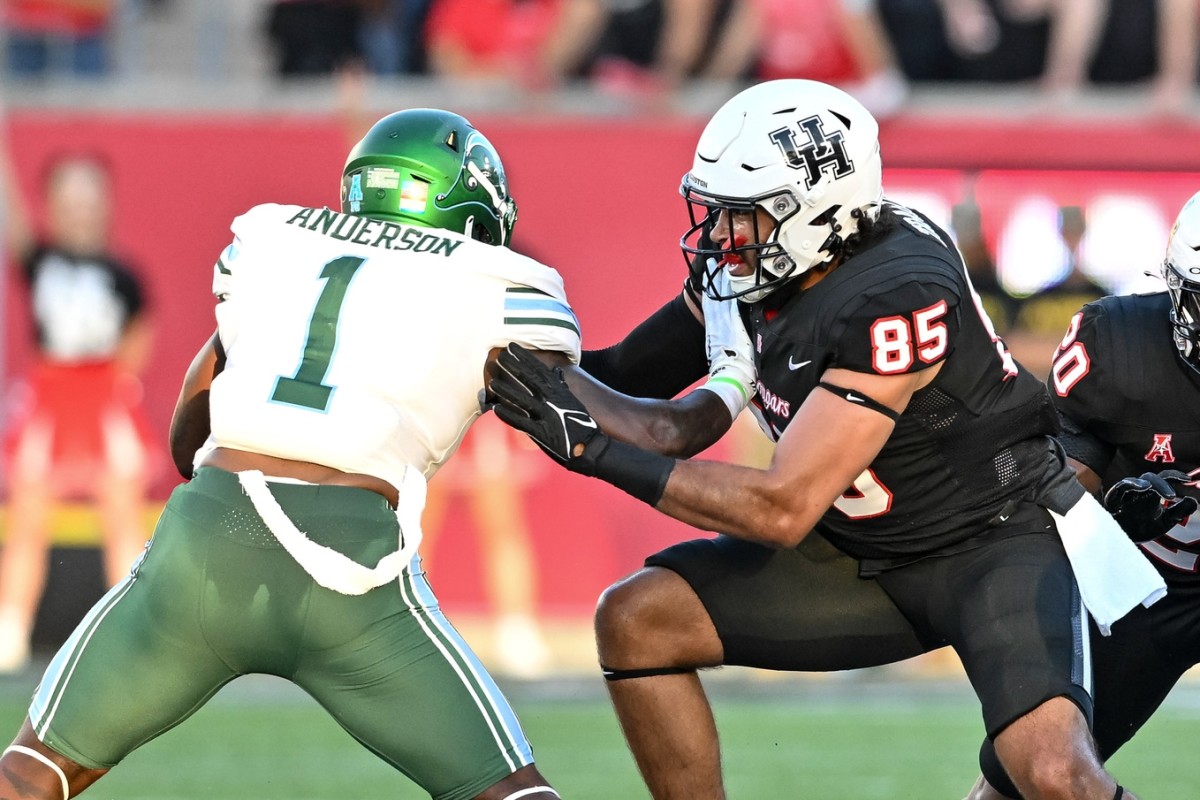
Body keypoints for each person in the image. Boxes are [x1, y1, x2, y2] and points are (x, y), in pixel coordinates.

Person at [0, 106, 749, 799]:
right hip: (349, 567)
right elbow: (663, 433)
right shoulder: (500, 286)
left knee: (32, 772)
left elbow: (187, 436)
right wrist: (734, 370)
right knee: (512, 792)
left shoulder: (275, 244)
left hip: (206, 539)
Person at [488, 79, 1162, 799]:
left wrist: (596, 454)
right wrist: (503, 348)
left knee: (1055, 776)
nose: (717, 236)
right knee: (637, 620)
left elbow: (781, 507)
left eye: (741, 218)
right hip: (858, 553)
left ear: (813, 215)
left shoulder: (896, 293)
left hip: (988, 547)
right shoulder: (761, 270)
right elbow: (627, 378)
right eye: (715, 212)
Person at [966, 192, 1200, 797]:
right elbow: (1064, 466)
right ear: (1177, 293)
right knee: (1028, 774)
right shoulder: (1120, 343)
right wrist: (1104, 505)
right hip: (1152, 585)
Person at [0, 151, 156, 674]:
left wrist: (119, 383)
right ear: (51, 206)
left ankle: (127, 627)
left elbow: (139, 335)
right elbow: (14, 221)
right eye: (67, 200)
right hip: (51, 398)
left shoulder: (122, 274)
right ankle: (12, 627)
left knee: (120, 512)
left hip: (103, 396)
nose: (79, 212)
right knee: (29, 515)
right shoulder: (40, 261)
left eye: (89, 199)